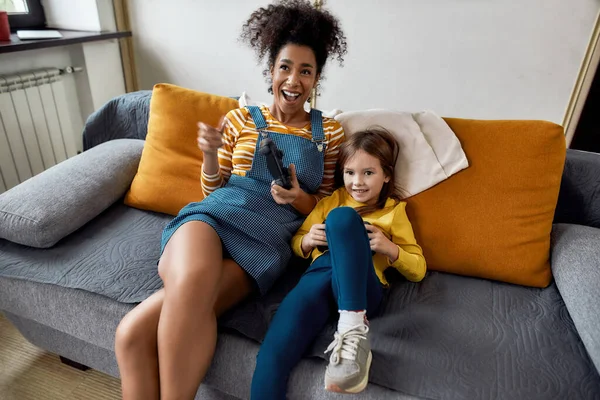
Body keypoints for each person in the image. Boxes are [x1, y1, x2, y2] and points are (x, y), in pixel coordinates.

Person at [114, 1, 347, 399]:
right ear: (271, 71)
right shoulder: (241, 118)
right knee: (190, 284)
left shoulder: (330, 132)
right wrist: (209, 153)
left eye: (305, 71)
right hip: (212, 218)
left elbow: (323, 205)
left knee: (133, 332)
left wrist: (298, 198)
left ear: (316, 79)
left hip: (264, 241)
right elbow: (213, 189)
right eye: (285, 67)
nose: (294, 79)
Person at [251, 129, 427, 398]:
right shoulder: (330, 201)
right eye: (350, 173)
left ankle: (353, 327)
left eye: (369, 173)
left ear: (387, 175)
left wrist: (391, 249)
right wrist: (308, 240)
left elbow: (418, 269)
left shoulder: (393, 211)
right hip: (318, 280)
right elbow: (297, 244)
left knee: (343, 219)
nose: (357, 182)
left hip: (363, 287)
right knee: (271, 354)